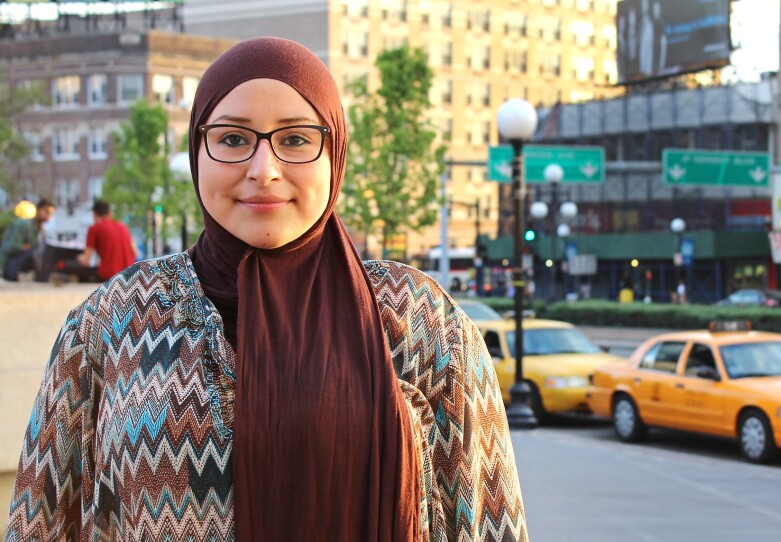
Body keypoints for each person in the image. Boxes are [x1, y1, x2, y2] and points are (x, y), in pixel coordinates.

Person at [5, 37, 528, 541]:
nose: (264, 170)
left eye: (296, 139)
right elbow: (39, 520)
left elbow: (487, 521)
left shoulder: (420, 319)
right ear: (197, 149)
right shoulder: (115, 317)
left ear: (335, 154)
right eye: (233, 139)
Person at [76, 199, 138, 281]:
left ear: (94, 214)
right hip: (130, 276)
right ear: (109, 214)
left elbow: (86, 261)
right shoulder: (123, 226)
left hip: (109, 278)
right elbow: (136, 253)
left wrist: (78, 258)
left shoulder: (94, 229)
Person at [0, 198, 55, 281]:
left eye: (51, 214)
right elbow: (10, 247)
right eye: (46, 212)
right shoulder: (23, 224)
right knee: (37, 251)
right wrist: (28, 248)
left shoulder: (43, 232)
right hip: (9, 266)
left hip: (25, 266)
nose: (48, 216)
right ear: (38, 209)